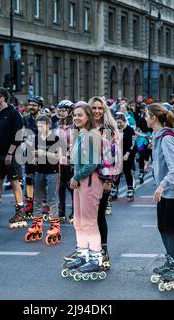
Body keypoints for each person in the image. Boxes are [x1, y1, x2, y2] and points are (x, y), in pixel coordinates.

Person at [146, 103, 174, 292]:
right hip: (166, 191)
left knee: (169, 228)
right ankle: (170, 261)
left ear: (153, 118)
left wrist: (162, 186)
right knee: (162, 226)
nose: (145, 118)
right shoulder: (159, 136)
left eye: (146, 115)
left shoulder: (166, 139)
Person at [62, 102, 106, 281]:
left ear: (88, 116)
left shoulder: (92, 135)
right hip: (80, 182)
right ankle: (83, 255)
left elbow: (92, 163)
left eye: (80, 115)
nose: (76, 118)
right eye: (74, 115)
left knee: (89, 222)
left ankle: (96, 258)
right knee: (79, 222)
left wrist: (75, 177)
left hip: (89, 182)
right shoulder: (81, 134)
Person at [88, 96, 120, 271]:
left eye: (100, 108)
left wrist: (109, 180)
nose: (97, 111)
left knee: (98, 215)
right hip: (86, 179)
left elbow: (112, 156)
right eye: (94, 108)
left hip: (102, 178)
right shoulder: (83, 126)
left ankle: (103, 250)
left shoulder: (107, 129)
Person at [0, 87, 26, 229]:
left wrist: (10, 153)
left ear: (3, 98)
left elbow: (18, 135)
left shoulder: (14, 114)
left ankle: (20, 210)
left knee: (14, 182)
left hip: (12, 155)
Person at [24, 115, 62, 245]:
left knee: (52, 201)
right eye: (38, 126)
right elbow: (35, 155)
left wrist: (44, 153)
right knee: (37, 200)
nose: (40, 128)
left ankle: (55, 226)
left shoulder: (55, 138)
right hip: (39, 172)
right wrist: (34, 157)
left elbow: (59, 156)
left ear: (48, 125)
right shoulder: (36, 138)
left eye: (42, 125)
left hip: (52, 173)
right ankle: (37, 224)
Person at [23, 96, 44, 220]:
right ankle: (29, 203)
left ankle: (42, 204)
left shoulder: (44, 119)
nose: (31, 107)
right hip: (29, 151)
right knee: (29, 178)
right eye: (29, 104)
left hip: (43, 151)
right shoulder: (26, 119)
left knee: (41, 178)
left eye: (34, 105)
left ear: (40, 107)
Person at [55, 100, 74, 224]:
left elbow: (73, 145)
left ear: (70, 112)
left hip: (70, 161)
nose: (61, 113)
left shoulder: (74, 126)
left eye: (64, 110)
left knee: (72, 187)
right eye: (60, 110)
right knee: (60, 187)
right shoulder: (58, 125)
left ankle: (75, 211)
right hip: (59, 161)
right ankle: (61, 211)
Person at [114, 112, 137, 202]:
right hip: (118, 153)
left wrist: (127, 153)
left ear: (124, 121)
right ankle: (115, 188)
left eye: (120, 122)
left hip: (128, 153)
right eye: (117, 122)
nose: (119, 124)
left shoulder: (130, 130)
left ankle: (130, 189)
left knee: (127, 171)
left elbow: (133, 142)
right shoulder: (115, 130)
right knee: (117, 172)